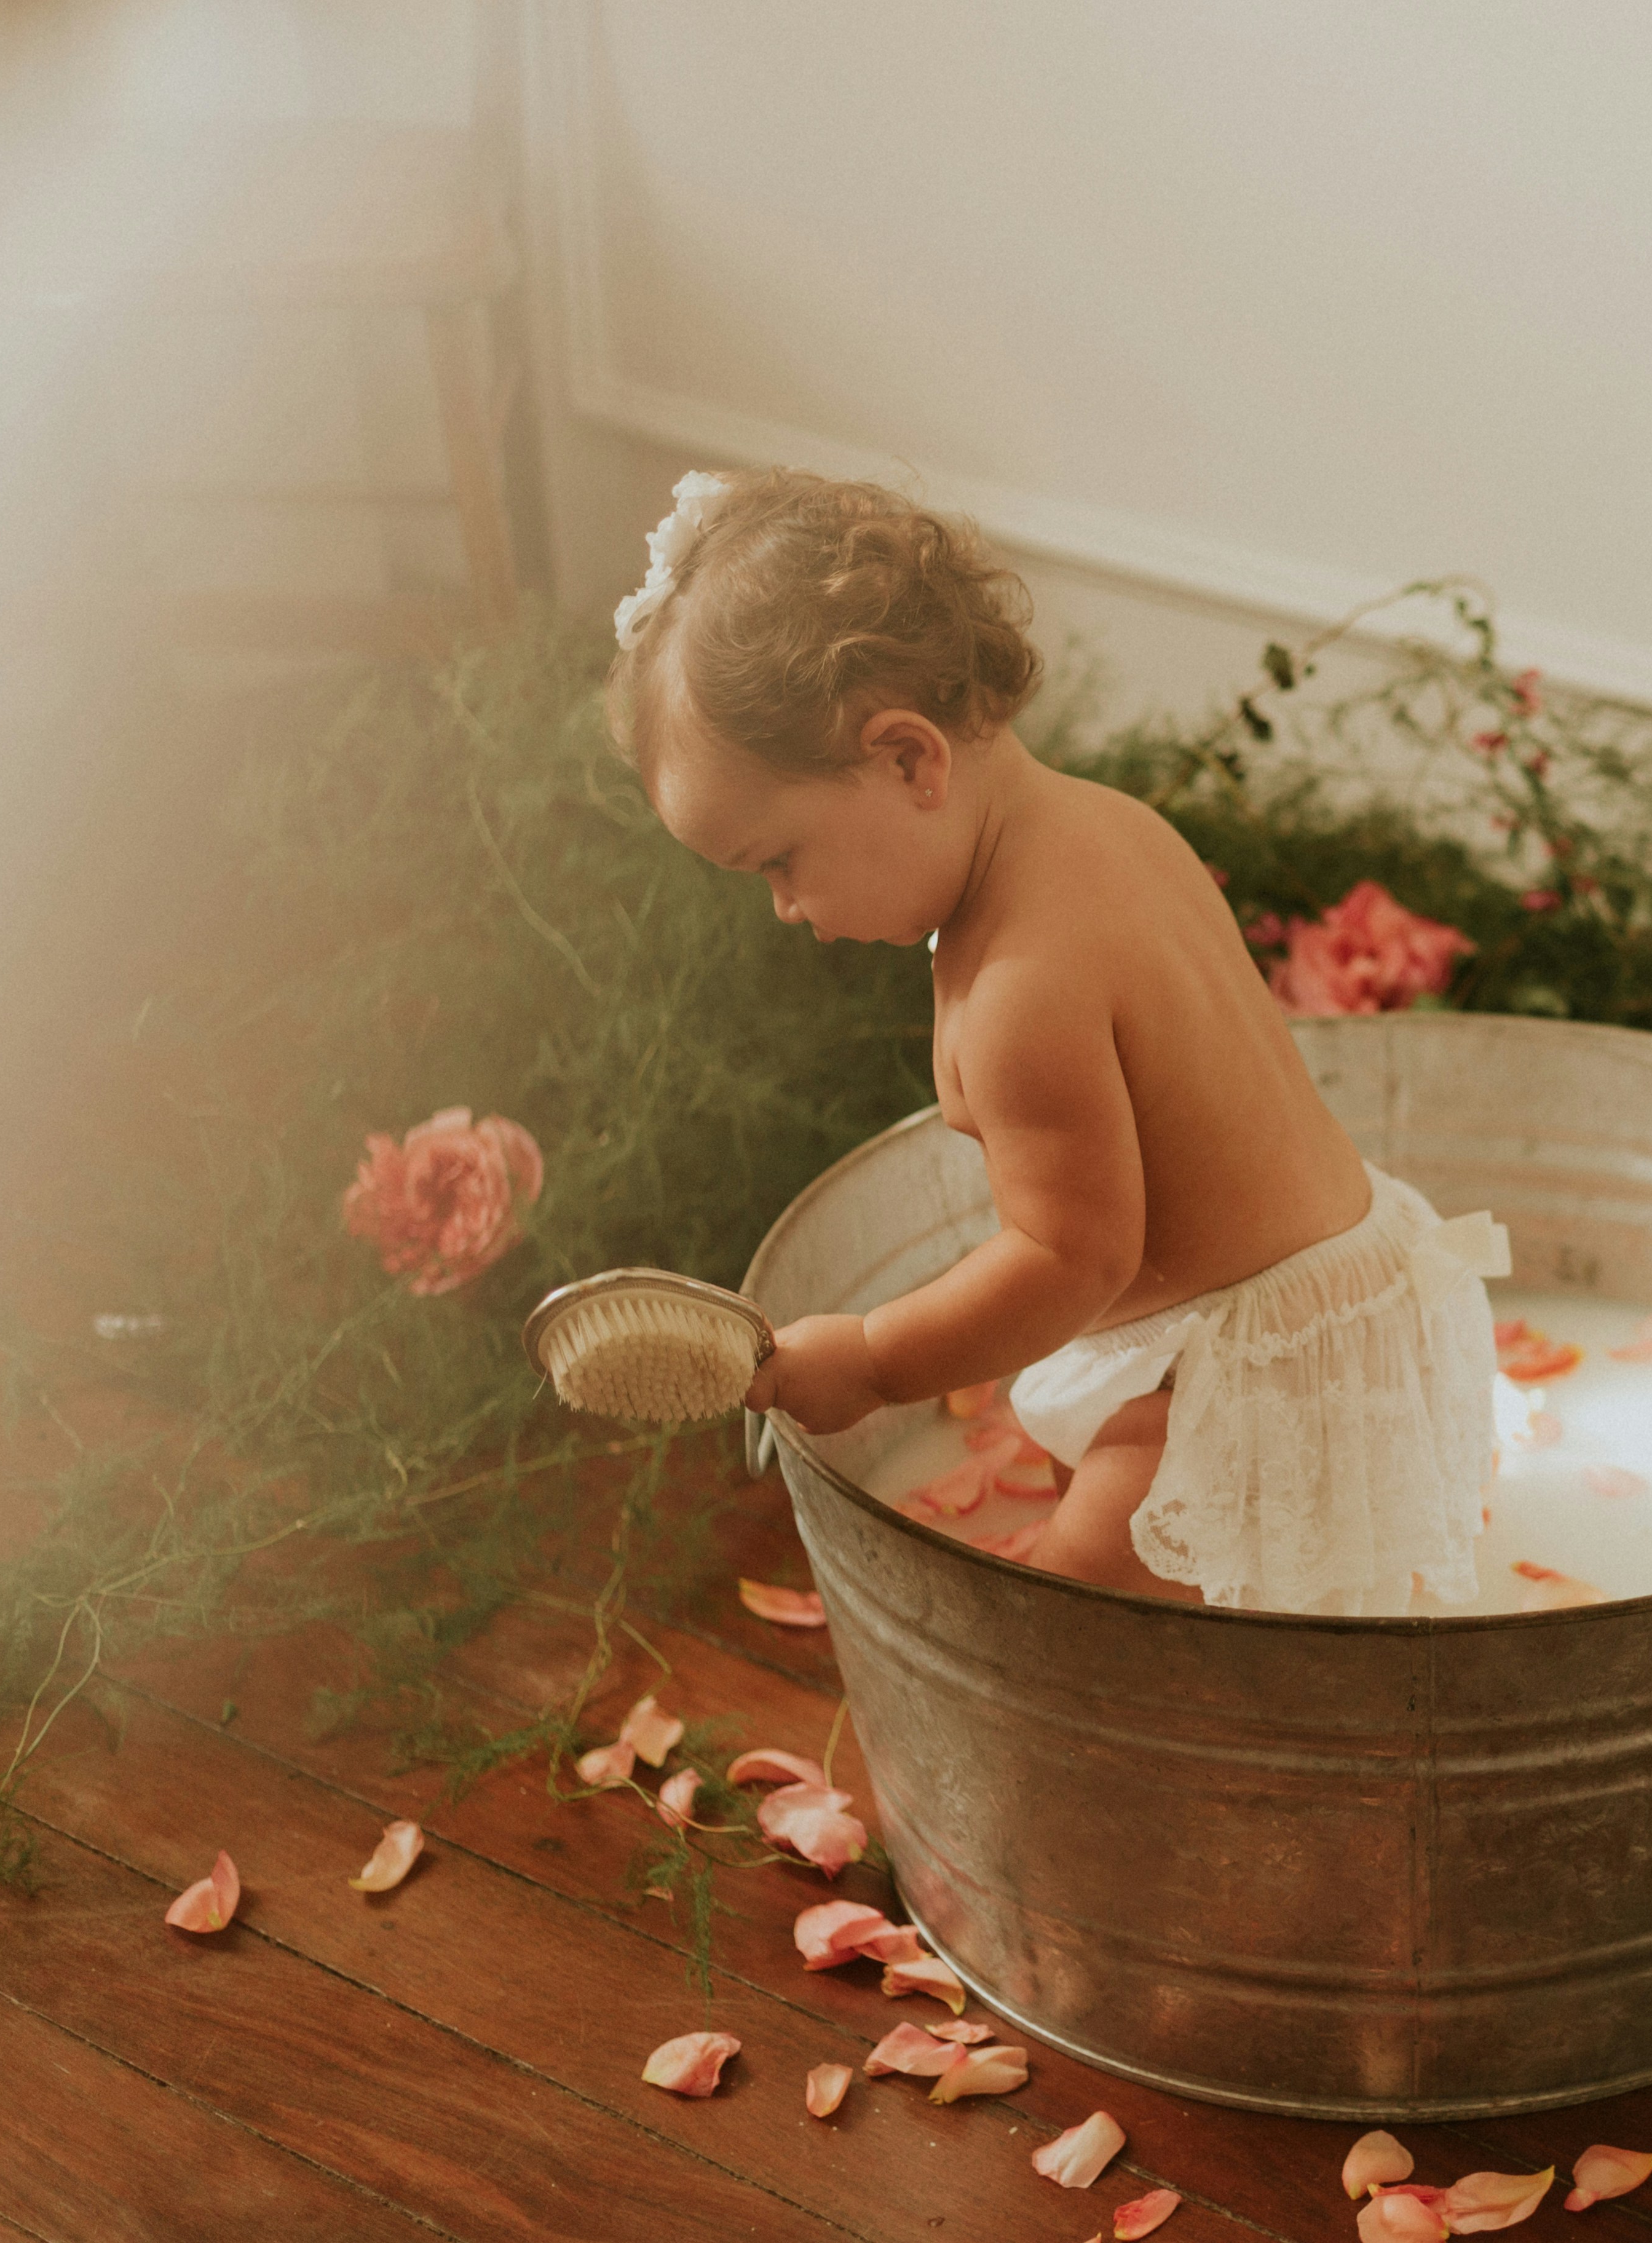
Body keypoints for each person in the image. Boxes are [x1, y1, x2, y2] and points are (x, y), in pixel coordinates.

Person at [606, 468, 1504, 1614]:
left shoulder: (1025, 988)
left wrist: (878, 1359)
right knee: (1134, 1516)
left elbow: (1074, 1259)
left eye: (778, 859)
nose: (784, 906)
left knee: (1080, 1614)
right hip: (1320, 1301)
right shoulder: (1107, 827)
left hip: (1258, 1379)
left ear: (908, 760)